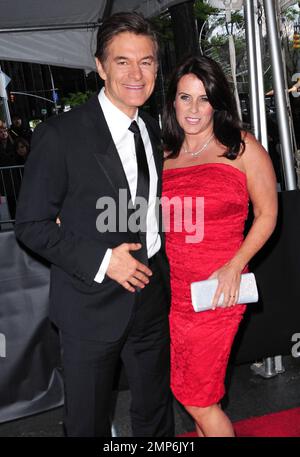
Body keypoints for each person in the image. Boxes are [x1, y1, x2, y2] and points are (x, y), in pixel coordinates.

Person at [15, 12, 174, 437]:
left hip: (152, 298)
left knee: (156, 416)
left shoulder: (152, 129)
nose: (136, 74)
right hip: (89, 304)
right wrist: (105, 261)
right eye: (122, 61)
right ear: (101, 67)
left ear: (157, 67)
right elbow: (30, 224)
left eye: (146, 61)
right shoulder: (61, 134)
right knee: (87, 423)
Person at [161, 55, 278, 437]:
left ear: (217, 102)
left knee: (199, 398)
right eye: (184, 98)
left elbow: (267, 214)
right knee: (188, 390)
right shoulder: (164, 156)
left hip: (219, 290)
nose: (193, 109)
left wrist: (235, 264)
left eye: (203, 98)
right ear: (172, 101)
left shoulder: (240, 147)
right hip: (176, 294)